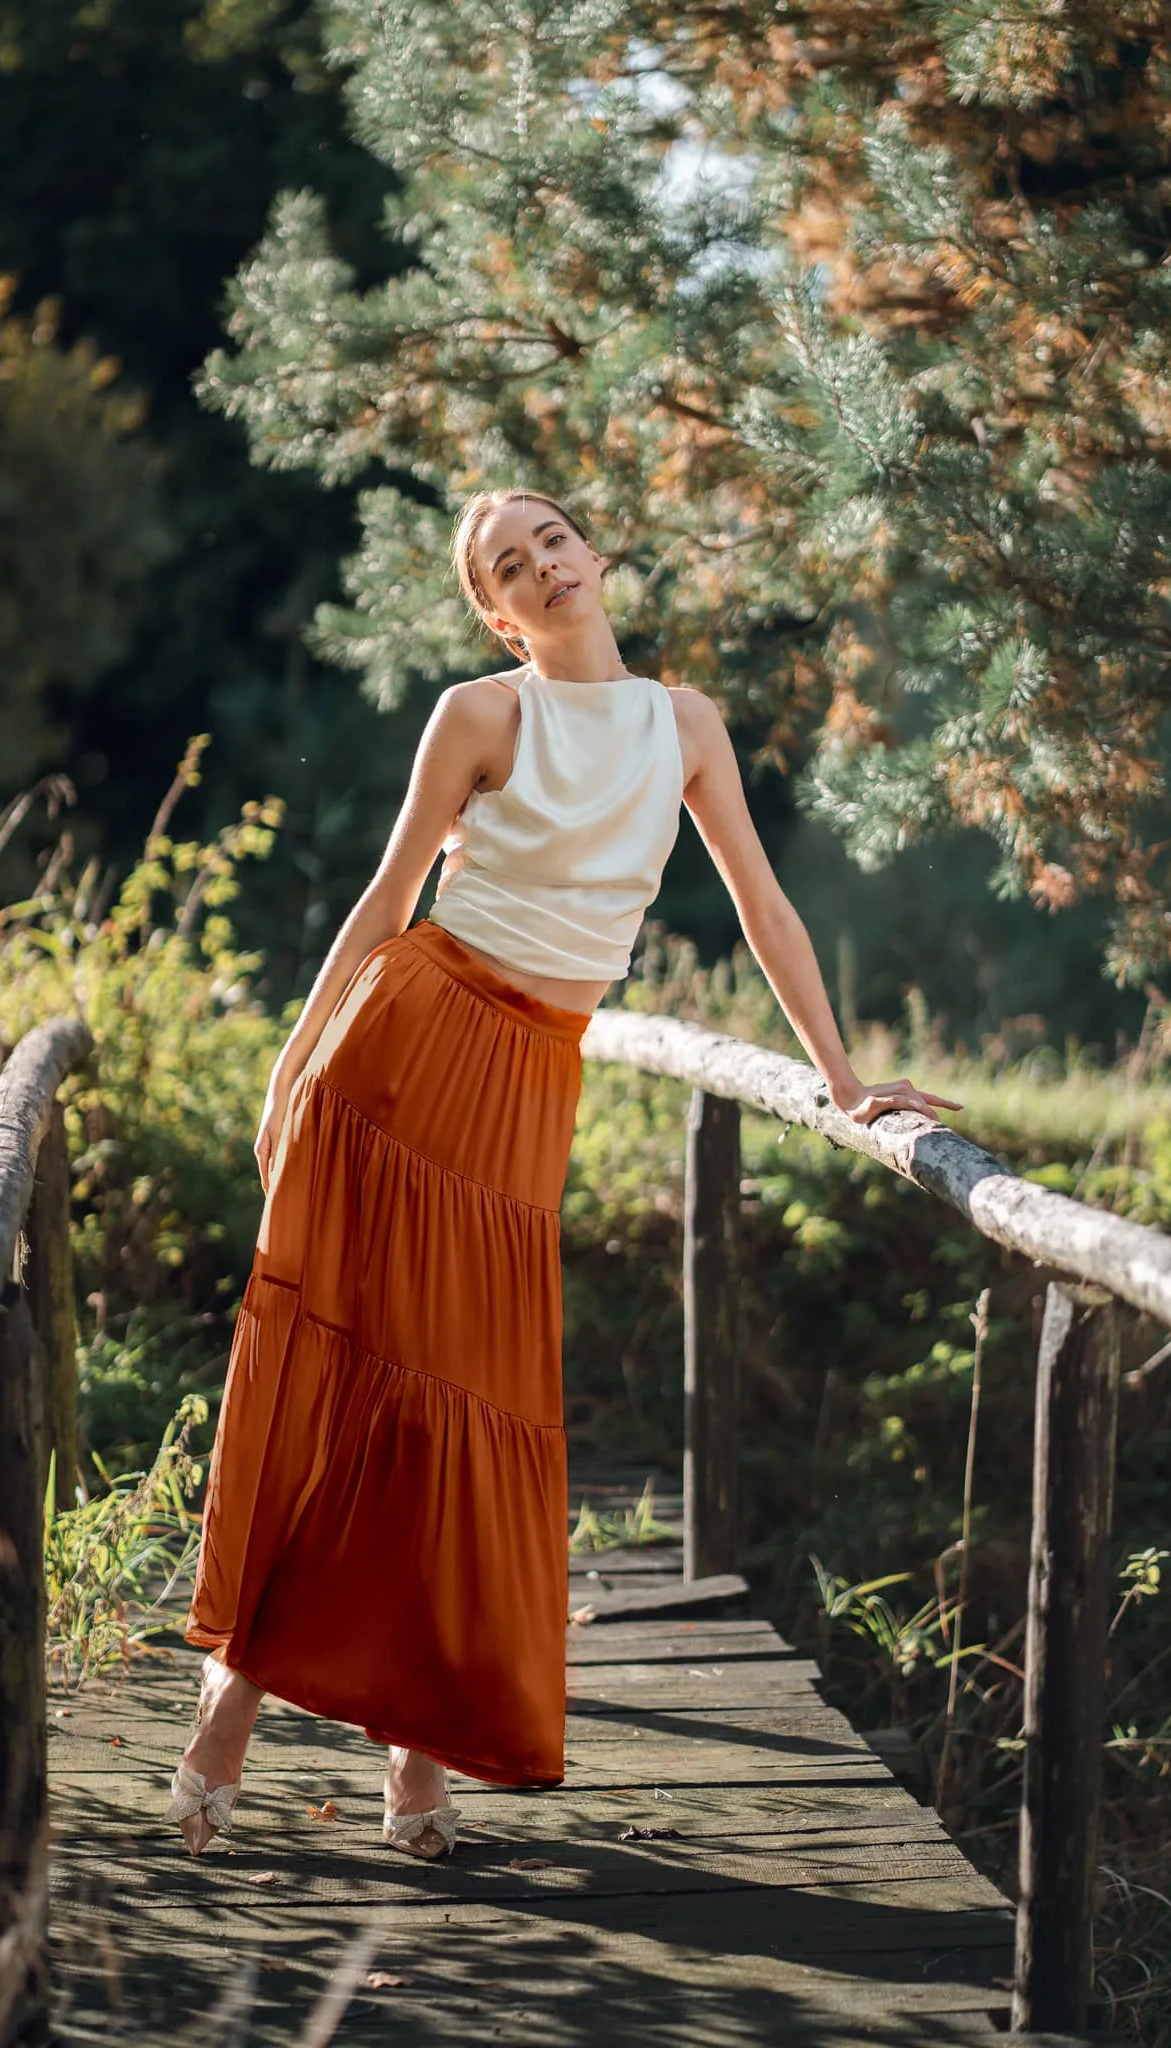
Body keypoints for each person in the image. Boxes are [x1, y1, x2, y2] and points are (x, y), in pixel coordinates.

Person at [168, 486, 961, 1861]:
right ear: (494, 612)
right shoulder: (481, 715)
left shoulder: (685, 724)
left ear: (595, 555)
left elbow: (762, 905)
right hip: (406, 1058)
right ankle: (235, 1721)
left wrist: (840, 1082)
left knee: (460, 1409)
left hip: (530, 1081)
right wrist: (294, 1067)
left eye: (550, 544)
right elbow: (389, 893)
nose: (539, 570)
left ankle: (413, 1746)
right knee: (363, 1397)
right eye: (506, 568)